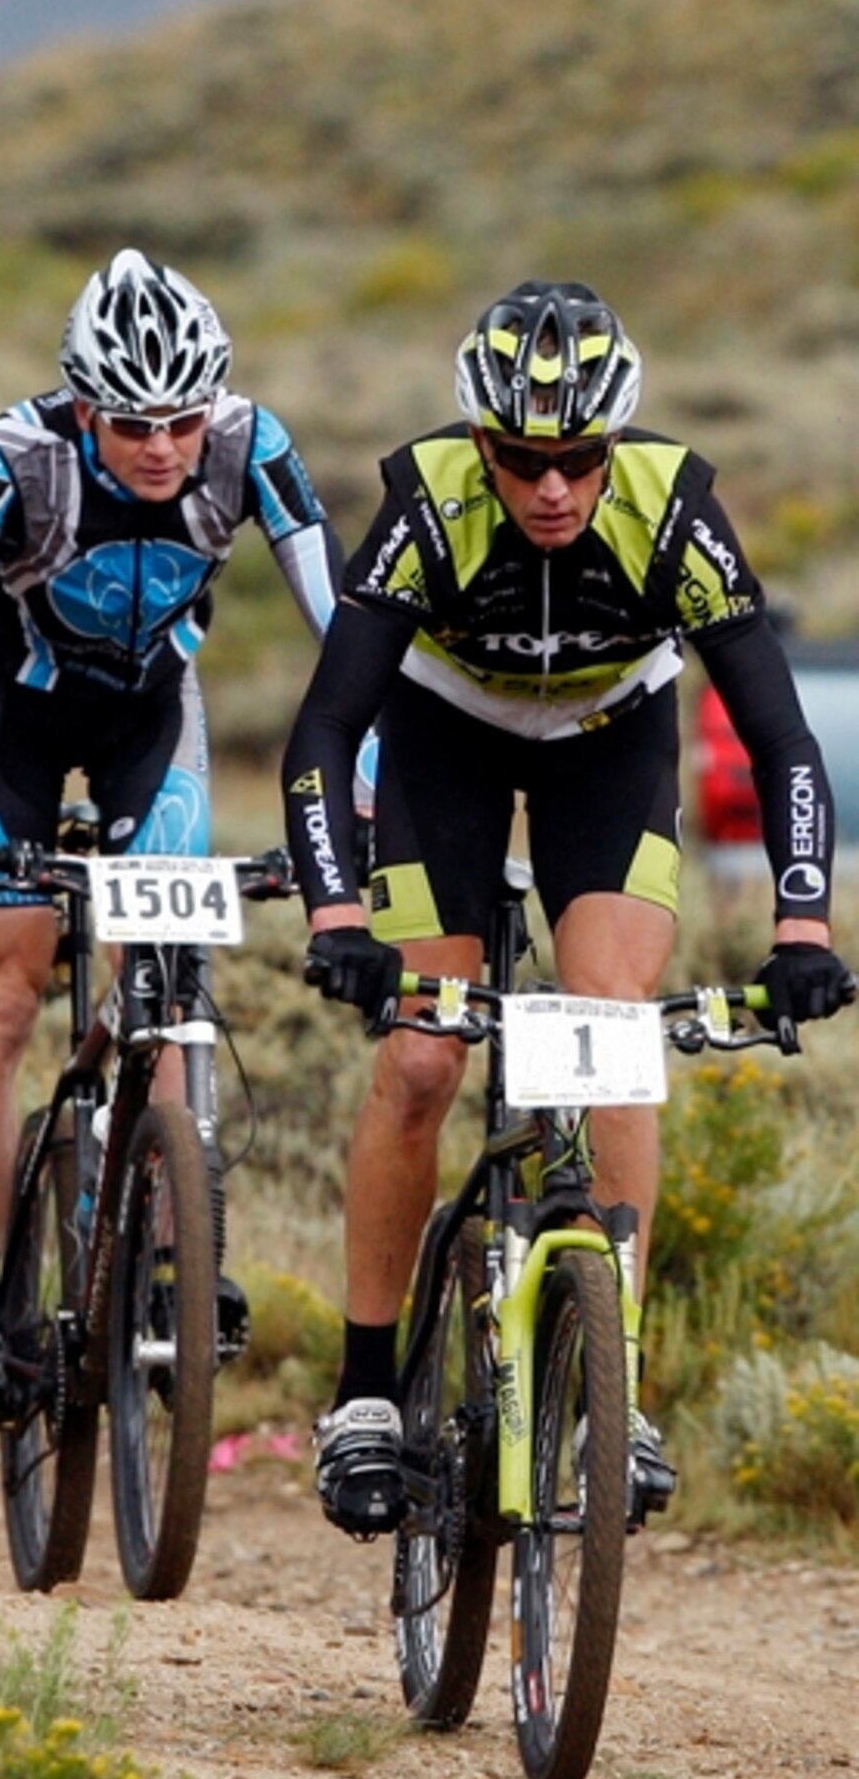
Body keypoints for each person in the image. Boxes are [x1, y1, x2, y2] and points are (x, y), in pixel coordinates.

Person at [284, 280, 854, 1534]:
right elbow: (328, 723)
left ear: (614, 449)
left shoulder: (674, 511)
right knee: (426, 1055)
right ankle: (367, 1394)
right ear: (482, 446)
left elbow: (780, 739)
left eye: (578, 460)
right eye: (524, 461)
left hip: (610, 742)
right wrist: (337, 920)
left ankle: (615, 1386)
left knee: (614, 1025)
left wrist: (803, 926)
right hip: (447, 742)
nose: (552, 488)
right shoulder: (427, 502)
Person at [0, 249, 345, 1428]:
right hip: (13, 718)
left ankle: (180, 1261)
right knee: (4, 983)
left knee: (168, 971)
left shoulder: (252, 447)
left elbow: (348, 634)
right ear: (84, 407)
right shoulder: (13, 459)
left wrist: (355, 803)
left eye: (182, 421)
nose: (161, 448)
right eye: (133, 423)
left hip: (150, 714)